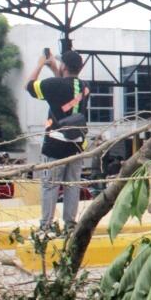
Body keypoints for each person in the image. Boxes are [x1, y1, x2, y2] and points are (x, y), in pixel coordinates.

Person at [26, 48, 90, 234]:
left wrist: (40, 64)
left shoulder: (53, 85)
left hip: (54, 145)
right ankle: (70, 225)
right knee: (72, 185)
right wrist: (55, 67)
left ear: (64, 66)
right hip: (76, 145)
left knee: (50, 186)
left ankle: (45, 226)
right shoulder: (84, 87)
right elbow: (66, 88)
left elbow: (30, 86)